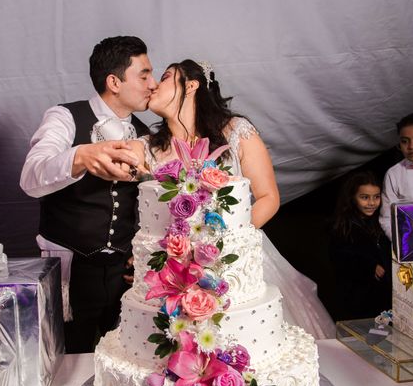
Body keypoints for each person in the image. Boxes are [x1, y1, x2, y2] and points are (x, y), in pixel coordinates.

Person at [129, 59, 335, 339]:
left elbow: (267, 196)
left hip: (235, 262)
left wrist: (224, 246)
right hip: (175, 270)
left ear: (190, 85)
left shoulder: (235, 131)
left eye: (165, 77)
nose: (153, 85)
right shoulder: (148, 148)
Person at [20, 36, 157, 353]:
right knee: (67, 359)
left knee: (124, 359)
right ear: (114, 81)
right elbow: (30, 177)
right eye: (144, 74)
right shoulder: (64, 117)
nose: (152, 84)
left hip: (126, 273)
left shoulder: (147, 135)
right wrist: (81, 156)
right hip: (70, 269)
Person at [329, 171, 392, 320]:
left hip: (383, 293)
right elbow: (340, 258)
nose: (371, 203)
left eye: (376, 197)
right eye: (364, 197)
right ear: (352, 198)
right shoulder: (342, 227)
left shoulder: (381, 221)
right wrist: (370, 266)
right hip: (358, 296)